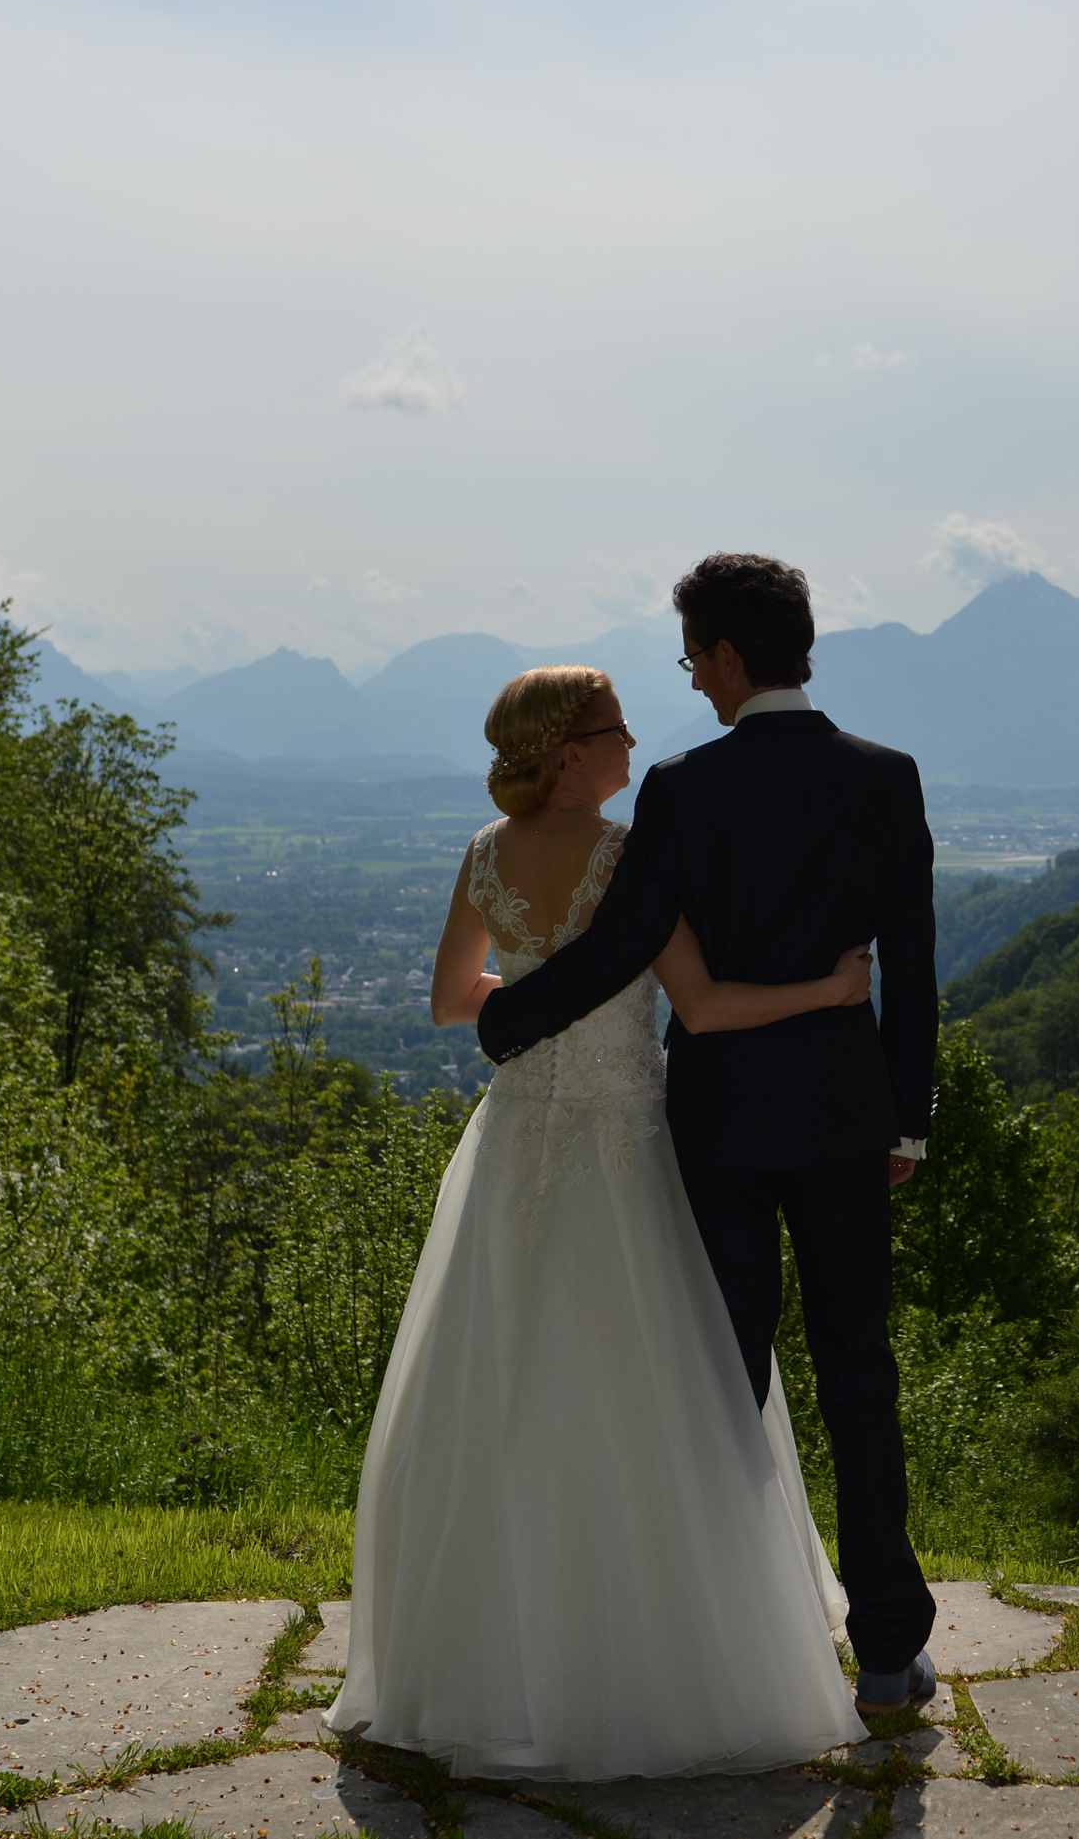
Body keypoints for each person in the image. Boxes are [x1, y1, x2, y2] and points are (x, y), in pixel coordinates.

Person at [326, 663, 870, 1780]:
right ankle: (647, 1666)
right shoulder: (628, 860)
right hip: (626, 1149)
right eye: (614, 731)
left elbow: (449, 999)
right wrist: (827, 992)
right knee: (646, 1390)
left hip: (516, 1138)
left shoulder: (482, 853)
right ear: (569, 751)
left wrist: (539, 1011)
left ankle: (480, 1660)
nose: (632, 746)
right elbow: (707, 1006)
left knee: (497, 1384)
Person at [476, 553, 941, 1720]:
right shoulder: (887, 780)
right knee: (857, 1369)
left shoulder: (682, 790)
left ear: (730, 657)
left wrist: (509, 1019)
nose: (690, 684)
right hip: (843, 1122)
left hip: (719, 1125)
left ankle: (728, 1640)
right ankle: (887, 1648)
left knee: (717, 1381)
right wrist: (908, 1121)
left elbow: (620, 942)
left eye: (691, 660)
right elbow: (914, 970)